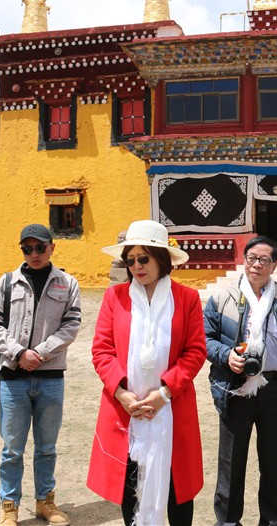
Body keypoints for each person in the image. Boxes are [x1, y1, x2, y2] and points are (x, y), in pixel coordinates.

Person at [87, 220, 206, 526]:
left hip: (172, 407)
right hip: (127, 409)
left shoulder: (187, 299)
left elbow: (195, 352)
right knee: (131, 483)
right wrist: (122, 394)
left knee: (178, 489)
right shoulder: (115, 297)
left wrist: (164, 393)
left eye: (143, 258)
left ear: (161, 259)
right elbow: (102, 350)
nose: (136, 266)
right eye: (130, 260)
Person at [205, 235, 277, 526]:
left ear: (274, 264)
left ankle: (272, 520)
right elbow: (205, 339)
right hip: (235, 388)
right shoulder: (222, 298)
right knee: (231, 462)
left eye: (264, 259)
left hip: (275, 388)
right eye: (251, 258)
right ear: (244, 261)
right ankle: (227, 521)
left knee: (273, 463)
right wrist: (226, 356)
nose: (256, 265)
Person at [0, 224, 81, 526]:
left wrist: (39, 352)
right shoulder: (7, 283)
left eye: (40, 247)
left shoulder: (68, 283)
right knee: (12, 449)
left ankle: (45, 501)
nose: (34, 253)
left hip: (51, 378)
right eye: (27, 248)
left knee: (47, 447)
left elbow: (71, 326)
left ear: (52, 247)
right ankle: (9, 505)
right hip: (13, 378)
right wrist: (18, 353)